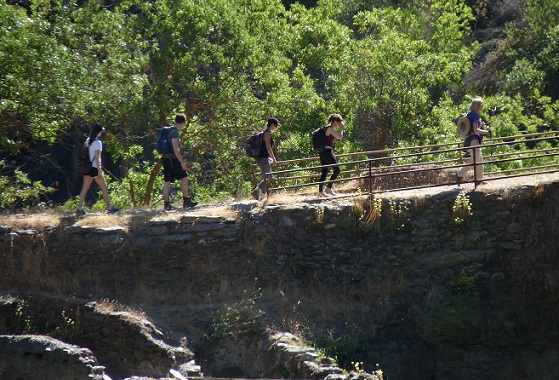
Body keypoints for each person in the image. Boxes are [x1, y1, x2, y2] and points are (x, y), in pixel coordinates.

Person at [77, 123, 121, 215]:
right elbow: (97, 158)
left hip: (87, 167)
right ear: (99, 132)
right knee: (104, 188)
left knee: (84, 188)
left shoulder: (87, 140)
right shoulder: (98, 143)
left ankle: (80, 208)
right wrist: (99, 171)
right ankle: (110, 208)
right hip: (94, 168)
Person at [161, 113, 197, 210]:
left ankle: (166, 204)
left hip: (165, 158)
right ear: (183, 122)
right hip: (173, 159)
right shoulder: (174, 132)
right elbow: (176, 149)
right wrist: (182, 162)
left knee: (167, 181)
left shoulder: (167, 130)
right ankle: (186, 201)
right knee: (184, 178)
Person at [457, 98, 491, 182]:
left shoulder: (470, 114)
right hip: (474, 141)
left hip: (470, 140)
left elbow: (473, 128)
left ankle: (479, 179)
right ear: (478, 106)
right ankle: (459, 174)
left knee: (479, 160)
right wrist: (487, 132)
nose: (482, 107)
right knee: (475, 160)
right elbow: (476, 130)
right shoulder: (475, 115)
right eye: (481, 105)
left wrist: (480, 127)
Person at [251, 117, 280, 200]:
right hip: (263, 159)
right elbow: (268, 148)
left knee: (267, 178)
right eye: (276, 125)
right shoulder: (267, 134)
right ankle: (260, 195)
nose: (276, 127)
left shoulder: (265, 132)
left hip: (263, 158)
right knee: (268, 178)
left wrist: (271, 160)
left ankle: (258, 193)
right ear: (272, 125)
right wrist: (274, 160)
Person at [318, 114, 344, 197]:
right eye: (339, 122)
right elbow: (340, 137)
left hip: (324, 152)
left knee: (324, 171)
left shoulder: (328, 128)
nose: (339, 124)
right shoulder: (329, 129)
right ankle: (328, 188)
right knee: (337, 170)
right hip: (326, 151)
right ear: (335, 122)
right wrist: (342, 128)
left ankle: (320, 192)